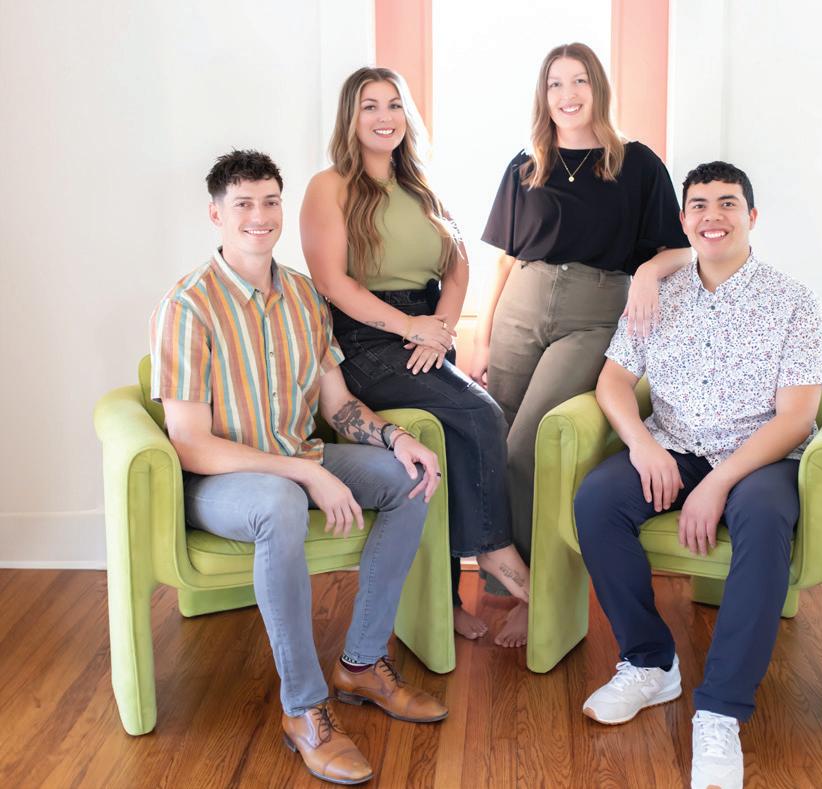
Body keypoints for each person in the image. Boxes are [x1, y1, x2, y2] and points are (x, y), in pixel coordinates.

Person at [151, 149, 448, 786]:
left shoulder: (304, 296)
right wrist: (307, 474)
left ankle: (362, 664)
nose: (259, 216)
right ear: (216, 215)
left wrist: (394, 438)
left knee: (409, 479)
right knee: (281, 501)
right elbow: (190, 444)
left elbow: (337, 405)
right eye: (243, 204)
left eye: (269, 201)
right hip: (221, 483)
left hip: (297, 454)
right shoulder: (188, 305)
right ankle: (305, 709)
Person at [574, 161, 822, 789]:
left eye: (727, 203)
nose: (713, 216)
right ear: (684, 220)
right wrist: (641, 445)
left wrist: (719, 483)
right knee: (598, 500)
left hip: (760, 456)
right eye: (699, 205)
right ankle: (649, 663)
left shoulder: (794, 301)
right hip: (675, 447)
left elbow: (797, 417)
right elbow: (613, 381)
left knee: (764, 520)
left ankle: (720, 711)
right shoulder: (658, 294)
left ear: (751, 216)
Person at [472, 42, 693, 646]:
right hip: (521, 303)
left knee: (529, 446)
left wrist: (646, 274)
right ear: (542, 95)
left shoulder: (637, 164)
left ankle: (541, 590)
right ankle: (507, 582)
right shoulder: (526, 165)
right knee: (494, 438)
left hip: (595, 311)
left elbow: (679, 248)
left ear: (598, 87)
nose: (567, 95)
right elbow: (503, 260)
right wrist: (483, 337)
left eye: (579, 82)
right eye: (554, 84)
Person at [300, 67, 531, 646]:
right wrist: (410, 327)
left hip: (424, 332)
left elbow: (458, 267)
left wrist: (439, 332)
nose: (385, 117)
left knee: (453, 435)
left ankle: (445, 599)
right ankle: (494, 550)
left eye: (394, 105)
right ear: (350, 118)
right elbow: (330, 281)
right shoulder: (329, 186)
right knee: (480, 413)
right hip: (363, 339)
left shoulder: (421, 186)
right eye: (370, 106)